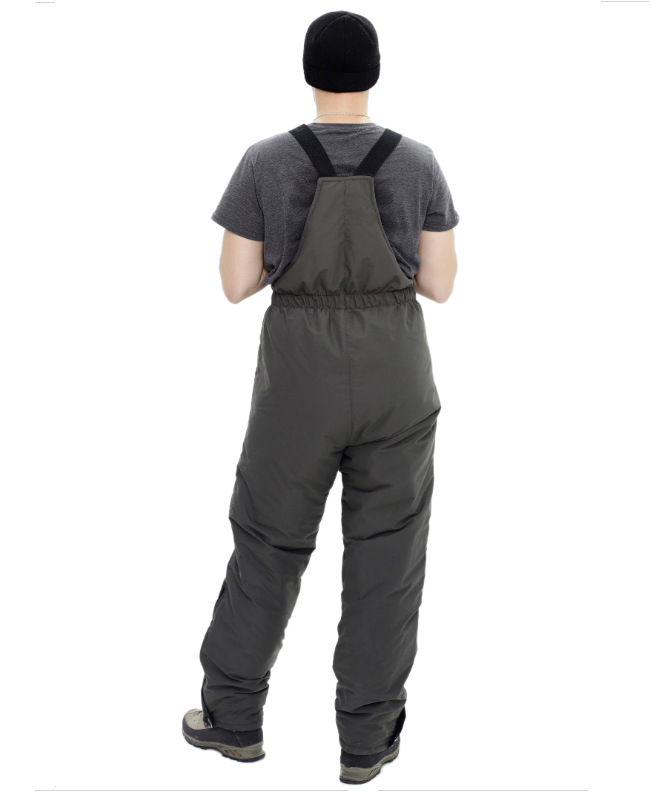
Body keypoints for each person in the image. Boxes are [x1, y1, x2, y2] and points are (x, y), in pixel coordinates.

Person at [181, 10, 459, 785]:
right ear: (374, 73)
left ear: (308, 74)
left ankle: (232, 718)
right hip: (394, 373)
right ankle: (365, 742)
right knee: (387, 557)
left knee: (267, 545)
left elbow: (236, 284)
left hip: (297, 378)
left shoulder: (265, 160)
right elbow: (439, 284)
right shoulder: (418, 162)